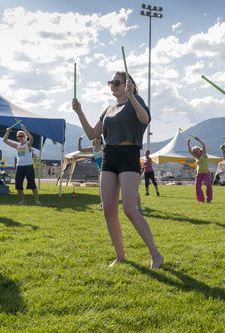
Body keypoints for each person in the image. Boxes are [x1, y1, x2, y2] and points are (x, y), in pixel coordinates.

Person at [72, 71, 163, 269]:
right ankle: (120, 256)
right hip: (109, 156)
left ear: (127, 84)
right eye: (110, 83)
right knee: (108, 210)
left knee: (130, 209)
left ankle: (156, 255)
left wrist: (131, 95)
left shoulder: (135, 100)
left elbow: (145, 119)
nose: (112, 86)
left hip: (129, 154)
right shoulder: (109, 108)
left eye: (116, 82)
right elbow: (92, 134)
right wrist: (79, 112)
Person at [2, 124, 41, 205]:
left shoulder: (28, 144)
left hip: (29, 166)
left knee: (32, 184)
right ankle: (22, 201)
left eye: (21, 136)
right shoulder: (17, 145)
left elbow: (31, 138)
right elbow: (5, 140)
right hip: (19, 167)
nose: (20, 137)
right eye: (18, 136)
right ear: (17, 138)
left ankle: (37, 201)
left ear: (25, 136)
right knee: (18, 184)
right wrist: (8, 132)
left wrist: (25, 130)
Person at [78, 135, 104, 207]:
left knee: (106, 187)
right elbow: (81, 149)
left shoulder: (103, 147)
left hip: (106, 169)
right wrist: (79, 142)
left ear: (101, 140)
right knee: (101, 187)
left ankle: (107, 203)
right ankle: (102, 203)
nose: (96, 139)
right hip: (100, 170)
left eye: (98, 138)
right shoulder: (93, 148)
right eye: (95, 138)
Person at [187, 136, 213, 203]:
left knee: (208, 186)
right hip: (199, 174)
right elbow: (190, 151)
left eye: (197, 149)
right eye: (195, 151)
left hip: (206, 173)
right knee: (197, 187)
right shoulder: (196, 157)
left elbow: (203, 145)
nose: (196, 151)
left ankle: (209, 199)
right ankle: (201, 200)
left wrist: (199, 140)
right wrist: (188, 144)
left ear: (199, 149)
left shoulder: (204, 155)